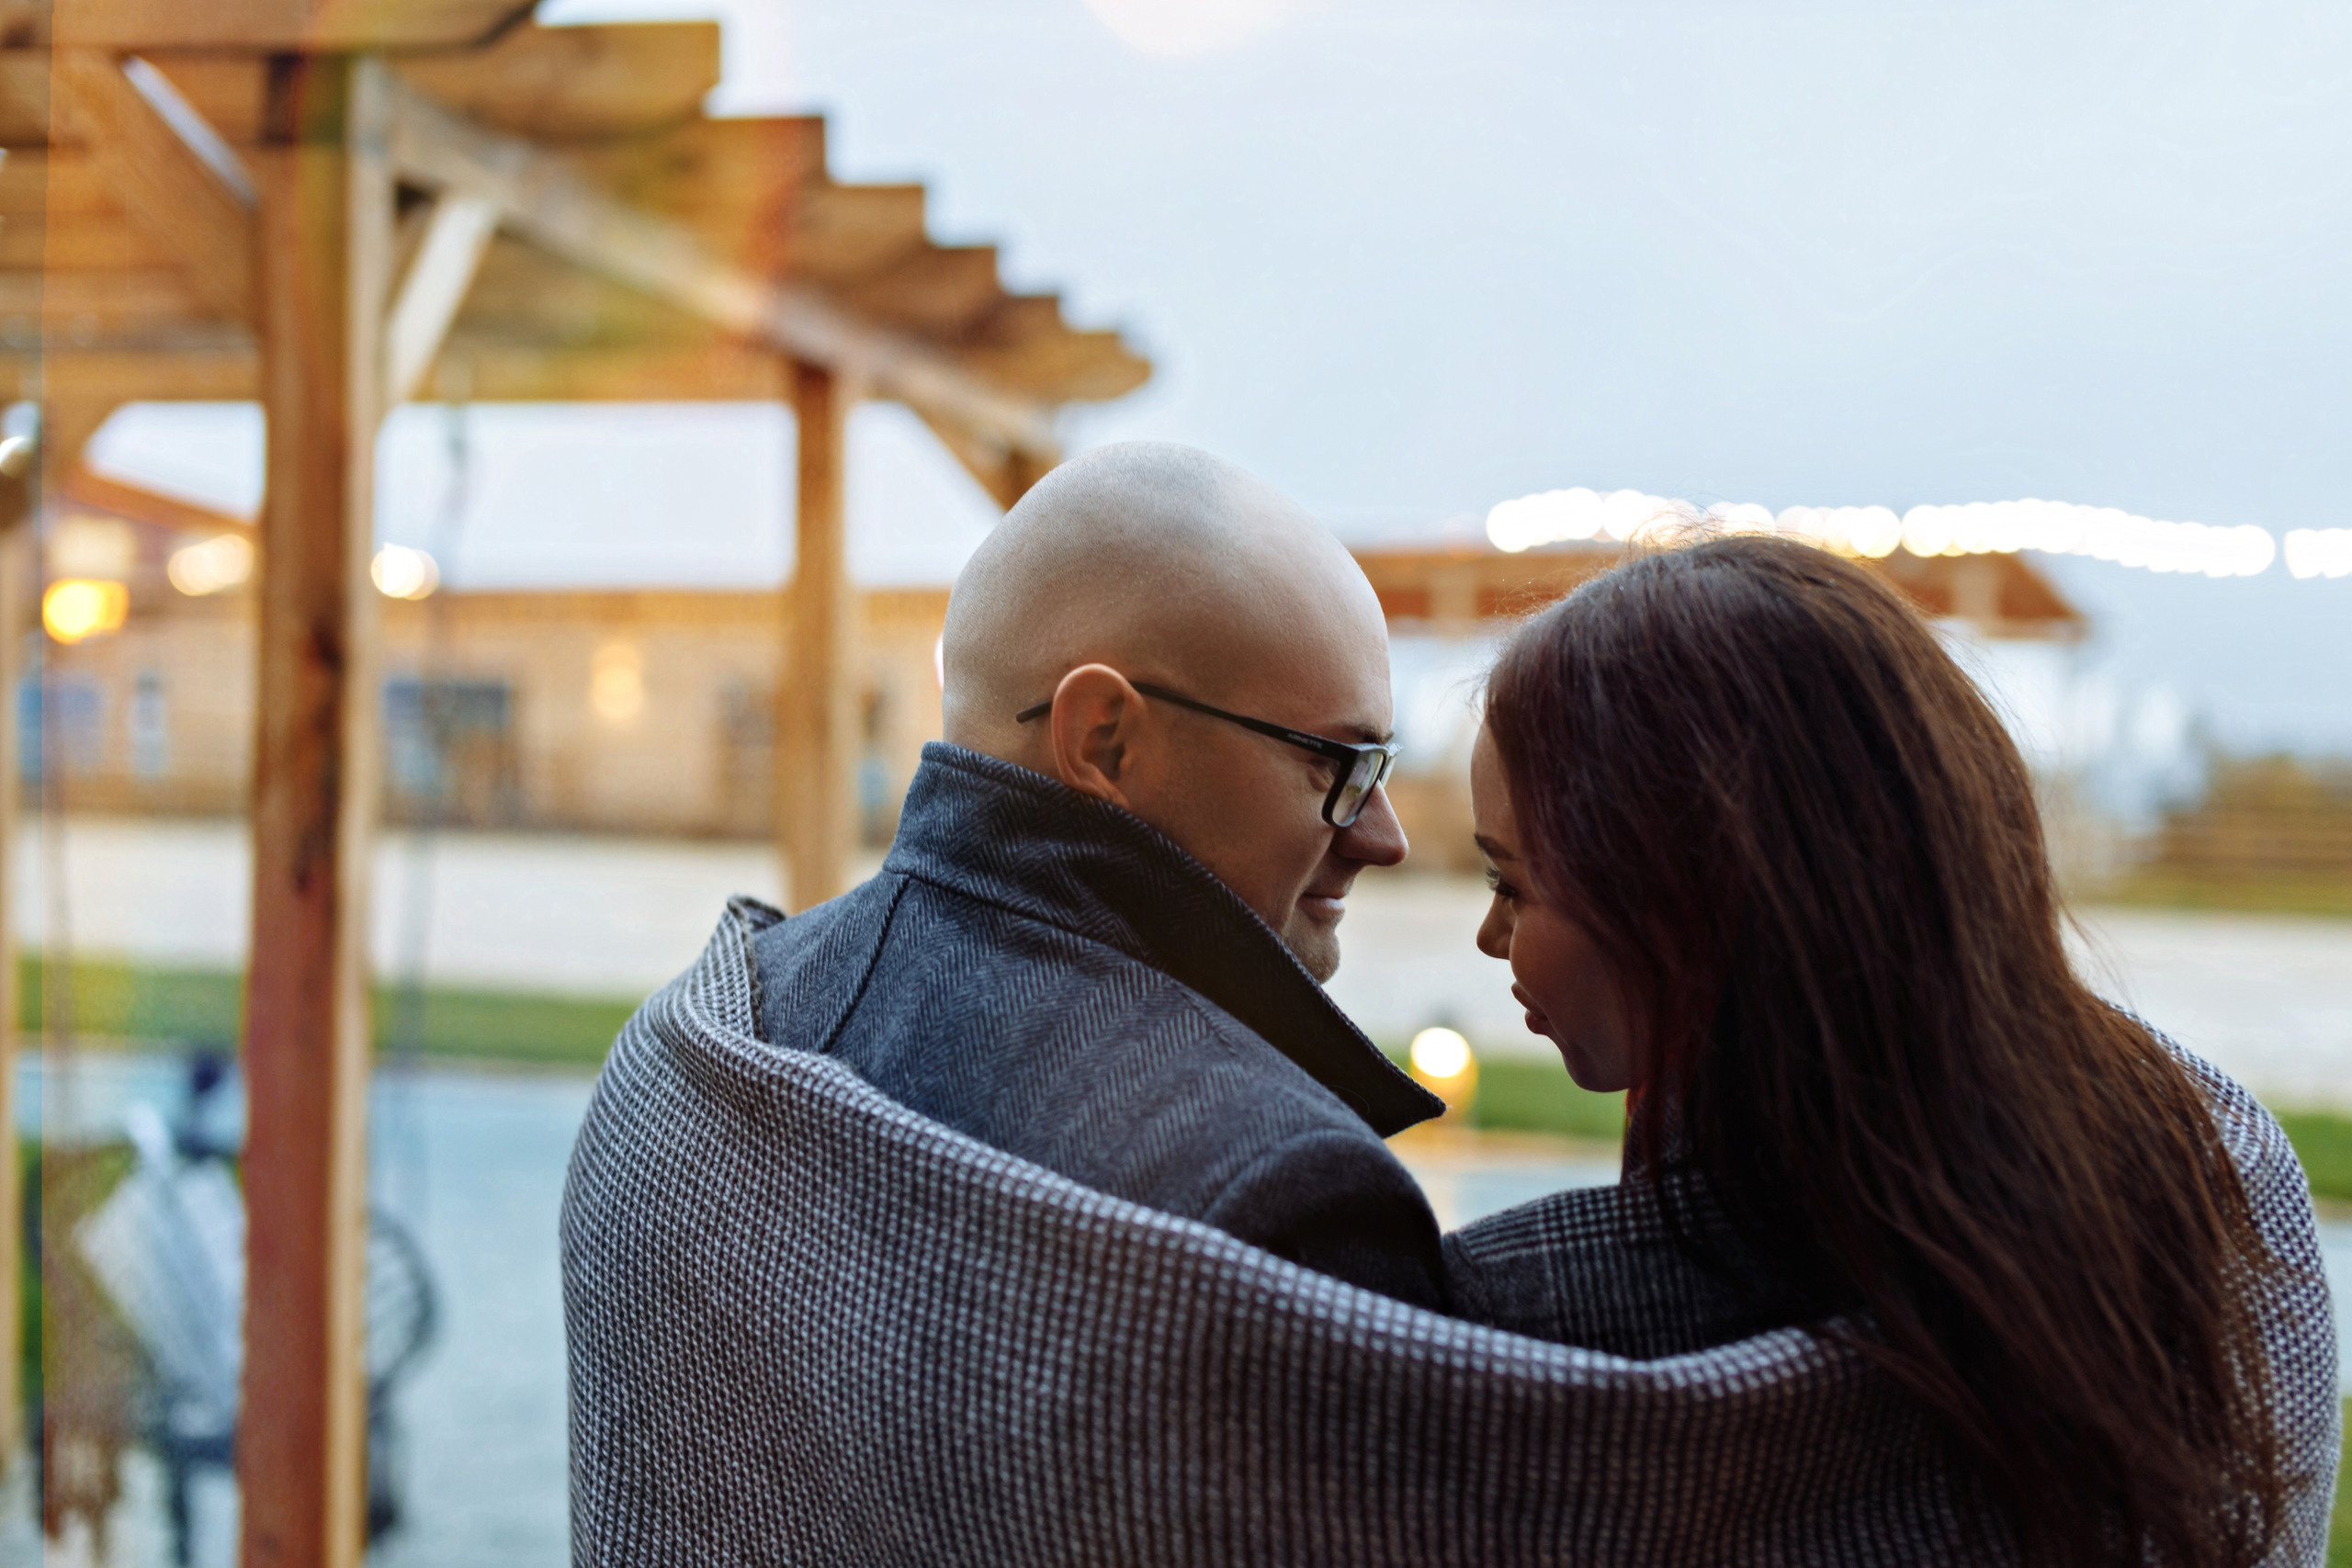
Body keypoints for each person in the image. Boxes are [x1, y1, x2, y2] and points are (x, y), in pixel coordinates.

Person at [1460, 533, 2340, 1566]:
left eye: (1512, 883)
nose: (1489, 937)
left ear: (1686, 898)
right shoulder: (2211, 1161)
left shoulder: (1549, 1324)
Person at [743, 440, 1449, 1307]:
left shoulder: (705, 1025)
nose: (1386, 837)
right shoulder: (1275, 1198)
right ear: (1104, 740)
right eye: (1336, 765)